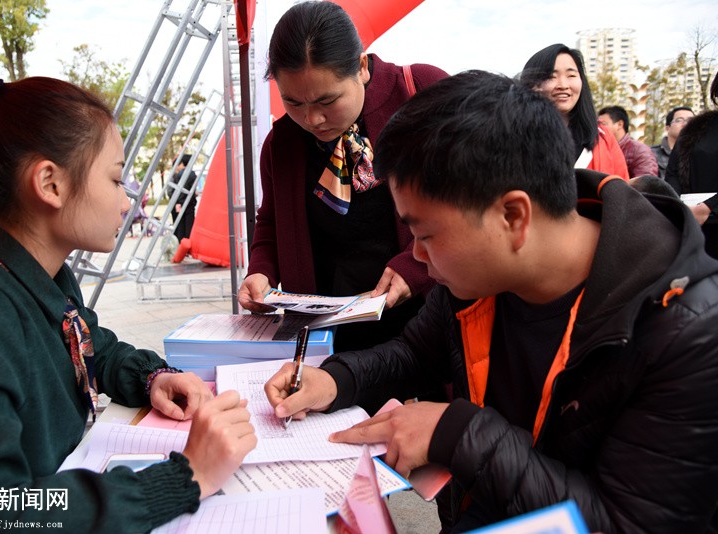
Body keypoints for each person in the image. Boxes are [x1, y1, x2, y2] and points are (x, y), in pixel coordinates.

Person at [264, 71, 718, 532]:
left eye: (424, 235)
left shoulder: (687, 330)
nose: (416, 257)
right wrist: (334, 380)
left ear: (513, 216)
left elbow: (629, 522)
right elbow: (413, 354)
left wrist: (457, 434)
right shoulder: (477, 281)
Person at [0, 63, 257, 532]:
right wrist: (187, 478)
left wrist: (151, 377)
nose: (126, 202)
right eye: (116, 179)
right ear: (50, 184)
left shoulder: (43, 278)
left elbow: (90, 344)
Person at [237, 1, 448, 354]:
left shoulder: (424, 93)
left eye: (327, 100)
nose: (312, 119)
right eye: (293, 102)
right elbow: (270, 223)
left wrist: (415, 264)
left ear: (361, 67)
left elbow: (473, 200)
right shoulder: (282, 143)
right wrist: (260, 273)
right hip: (331, 338)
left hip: (425, 322)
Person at [521, 43, 629, 180]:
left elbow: (622, 191)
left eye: (571, 75)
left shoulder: (602, 136)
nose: (563, 85)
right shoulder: (515, 137)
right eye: (551, 76)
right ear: (531, 85)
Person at [664, 76, 718, 260]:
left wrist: (710, 208)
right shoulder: (696, 128)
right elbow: (674, 172)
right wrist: (678, 206)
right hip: (691, 227)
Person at [597, 105, 659, 178]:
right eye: (597, 125)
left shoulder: (639, 151)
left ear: (619, 124)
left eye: (603, 124)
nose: (599, 128)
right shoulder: (599, 148)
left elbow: (646, 183)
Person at [650, 106, 695, 179]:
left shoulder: (701, 154)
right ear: (667, 128)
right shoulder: (651, 154)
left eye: (690, 120)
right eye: (679, 120)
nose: (685, 124)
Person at [169, 154, 199, 242]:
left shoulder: (178, 175)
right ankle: (187, 246)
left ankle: (180, 246)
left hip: (179, 203)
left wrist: (178, 202)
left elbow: (176, 191)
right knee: (189, 226)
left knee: (180, 226)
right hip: (189, 204)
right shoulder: (192, 174)